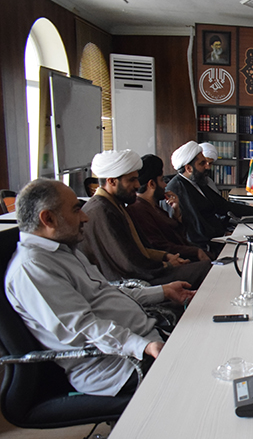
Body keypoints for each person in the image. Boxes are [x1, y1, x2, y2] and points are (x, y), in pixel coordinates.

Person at [5, 178, 196, 396]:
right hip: (119, 366)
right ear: (48, 218)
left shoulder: (64, 250)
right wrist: (142, 346)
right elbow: (84, 328)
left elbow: (105, 292)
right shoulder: (32, 268)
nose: (85, 217)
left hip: (146, 339)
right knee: (205, 375)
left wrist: (163, 291)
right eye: (76, 210)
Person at [79, 149, 211, 288]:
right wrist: (167, 265)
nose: (137, 185)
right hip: (132, 283)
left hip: (145, 271)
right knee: (205, 269)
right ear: (112, 181)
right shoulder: (103, 211)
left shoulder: (114, 205)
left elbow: (140, 249)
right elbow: (129, 263)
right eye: (132, 180)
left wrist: (165, 256)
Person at [165, 141, 253, 252]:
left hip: (217, 237)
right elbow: (196, 225)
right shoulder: (177, 189)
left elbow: (222, 205)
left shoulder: (197, 181)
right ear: (189, 168)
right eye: (202, 163)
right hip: (203, 247)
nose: (207, 167)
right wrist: (223, 235)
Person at [126, 154, 211, 262]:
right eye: (162, 180)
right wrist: (196, 251)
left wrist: (176, 212)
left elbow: (177, 236)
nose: (165, 185)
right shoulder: (139, 210)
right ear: (151, 184)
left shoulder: (154, 206)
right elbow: (160, 246)